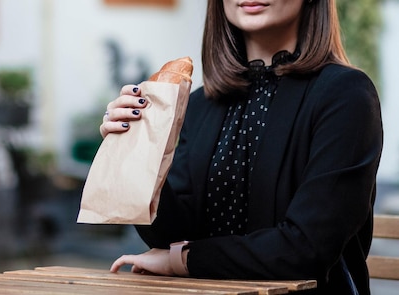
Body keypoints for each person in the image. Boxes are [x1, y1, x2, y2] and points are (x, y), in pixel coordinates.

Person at [101, 0, 383, 294]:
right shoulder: (198, 105)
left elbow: (306, 250)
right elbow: (170, 237)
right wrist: (136, 148)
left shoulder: (346, 95)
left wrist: (182, 260)